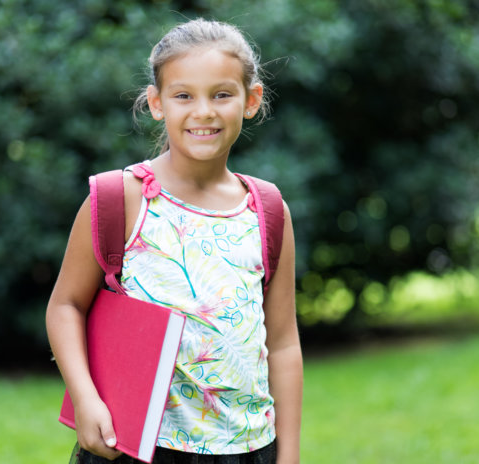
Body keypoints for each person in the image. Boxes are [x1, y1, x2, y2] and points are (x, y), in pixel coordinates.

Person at [46, 18, 303, 464]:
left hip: (248, 450)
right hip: (138, 447)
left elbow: (282, 343)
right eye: (183, 95)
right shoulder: (119, 199)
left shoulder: (267, 209)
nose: (203, 111)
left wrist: (290, 454)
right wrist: (84, 398)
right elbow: (65, 306)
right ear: (157, 103)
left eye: (222, 94)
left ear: (251, 100)